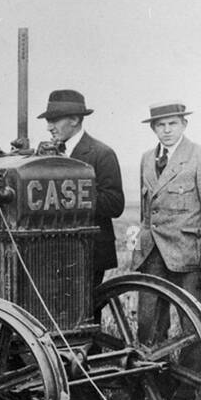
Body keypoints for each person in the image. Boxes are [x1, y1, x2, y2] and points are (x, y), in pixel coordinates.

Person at [132, 101, 201, 339]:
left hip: (189, 259)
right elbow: (147, 213)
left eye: (172, 124)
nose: (167, 130)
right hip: (152, 257)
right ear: (153, 128)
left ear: (184, 124)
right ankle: (153, 376)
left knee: (193, 328)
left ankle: (194, 377)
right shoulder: (146, 159)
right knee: (148, 325)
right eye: (160, 125)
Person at [37, 89, 124, 292]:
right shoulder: (45, 156)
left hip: (90, 251)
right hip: (54, 252)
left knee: (88, 315)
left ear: (75, 119)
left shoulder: (102, 154)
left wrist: (69, 195)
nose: (49, 127)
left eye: (54, 120)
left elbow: (114, 203)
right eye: (48, 121)